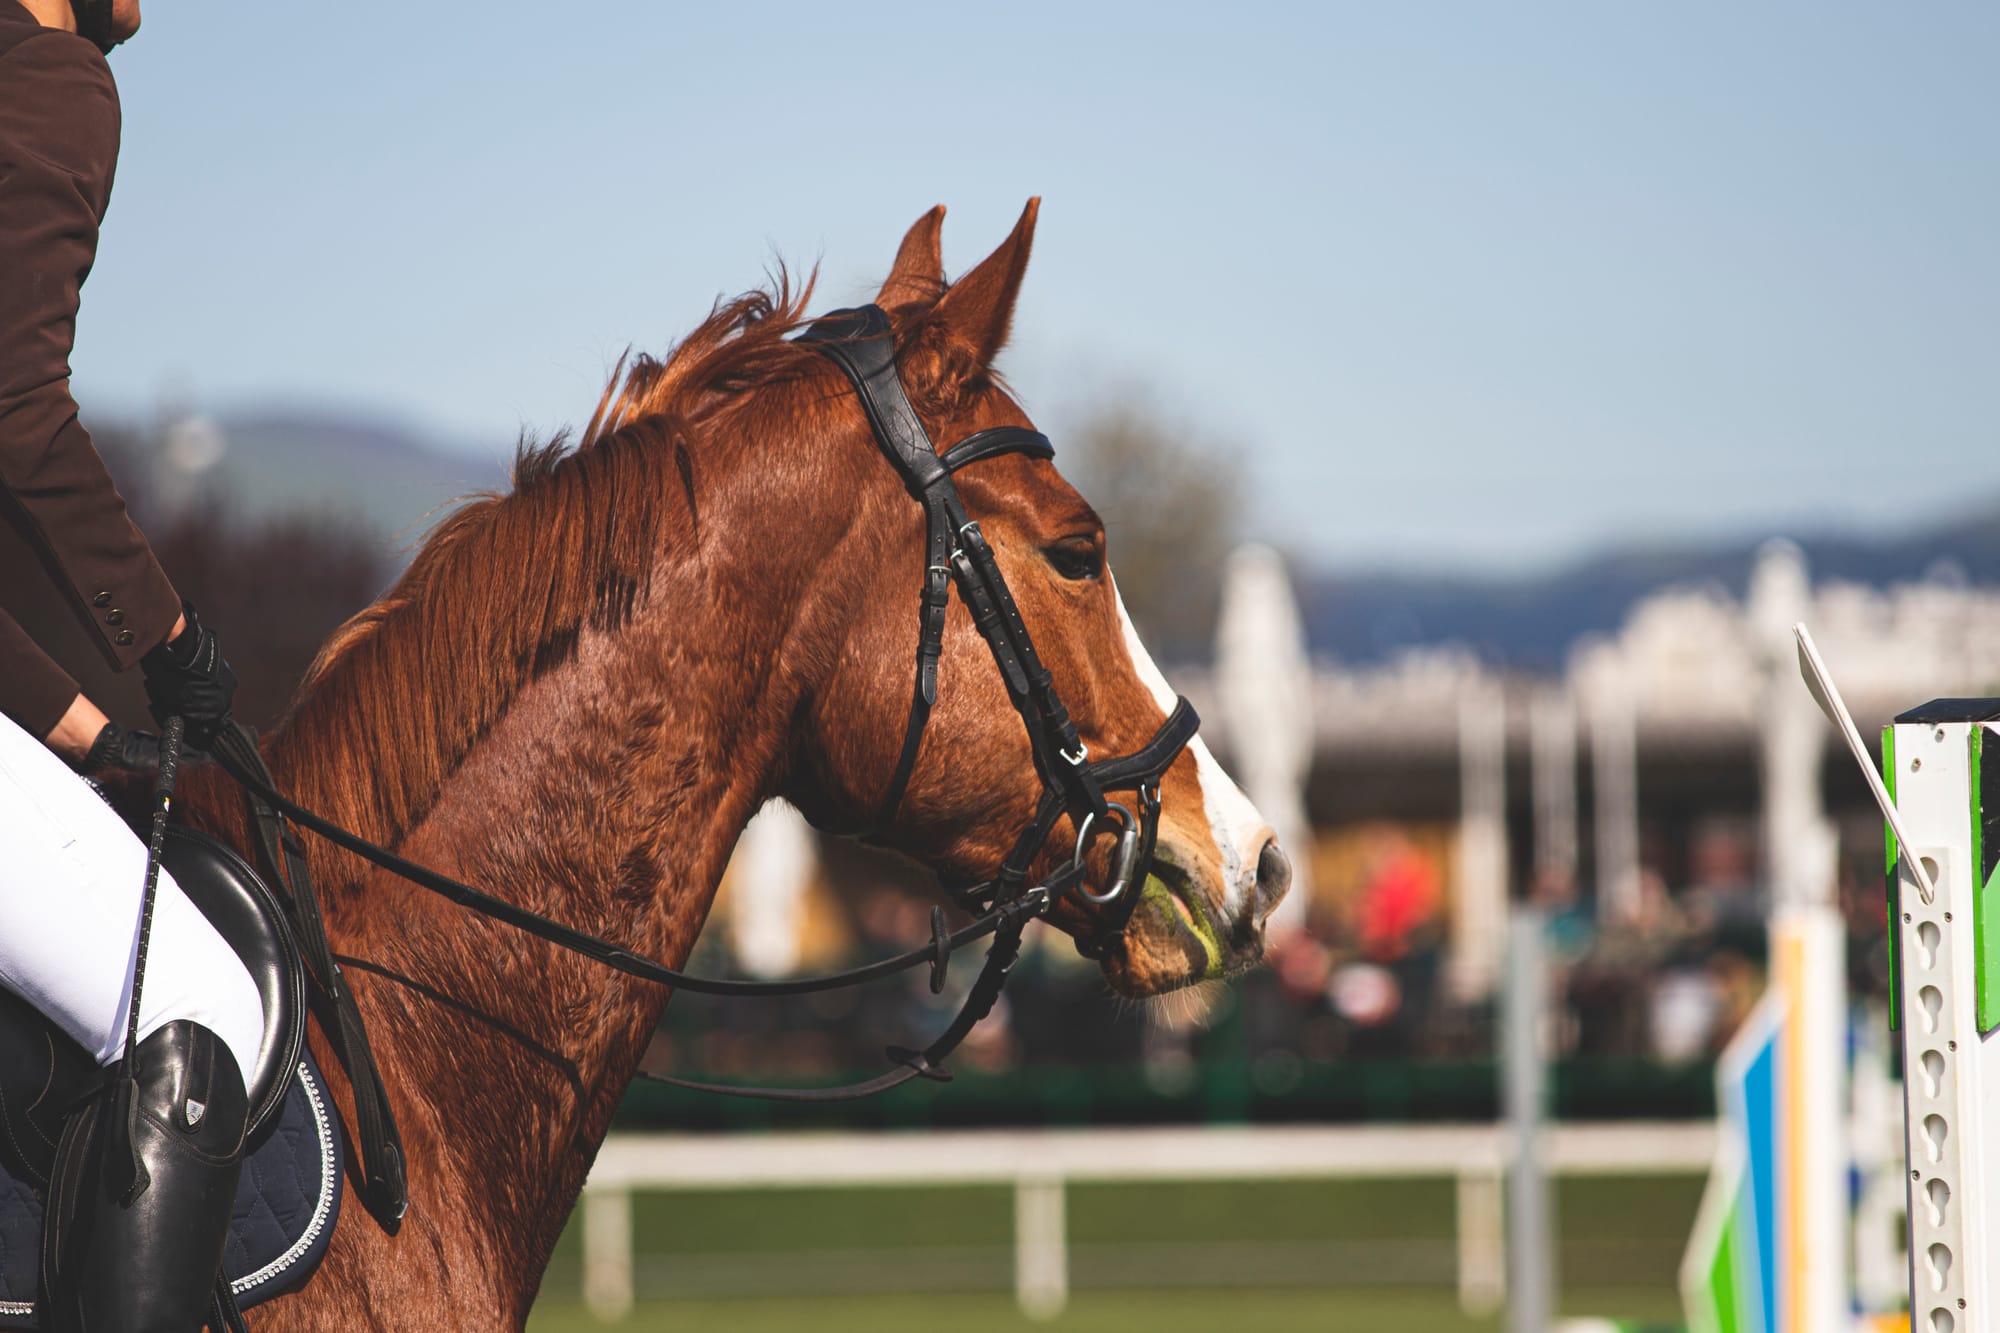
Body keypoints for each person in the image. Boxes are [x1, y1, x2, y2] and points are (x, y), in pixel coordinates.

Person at [1, 0, 265, 1326]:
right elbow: (16, 410)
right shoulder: (50, 73)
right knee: (199, 996)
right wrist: (169, 640)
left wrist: (89, 728)